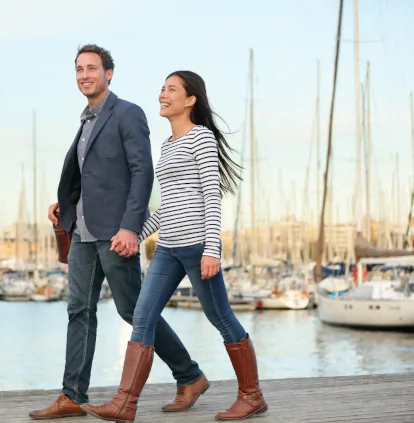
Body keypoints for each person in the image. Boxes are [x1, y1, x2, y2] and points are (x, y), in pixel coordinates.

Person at [29, 46, 206, 420]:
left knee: (132, 311)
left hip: (116, 234)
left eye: (92, 68)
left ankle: (190, 376)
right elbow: (90, 178)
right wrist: (66, 205)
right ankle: (72, 395)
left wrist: (130, 228)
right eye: (79, 69)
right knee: (79, 310)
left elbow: (143, 172)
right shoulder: (85, 121)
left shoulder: (128, 114)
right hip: (81, 232)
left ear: (109, 73)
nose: (84, 75)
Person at [80, 71, 268, 422]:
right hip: (167, 248)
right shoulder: (167, 146)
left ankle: (252, 396)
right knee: (142, 315)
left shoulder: (202, 139)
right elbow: (168, 206)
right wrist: (138, 234)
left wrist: (214, 249)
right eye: (162, 89)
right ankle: (125, 403)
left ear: (190, 99)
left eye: (171, 90)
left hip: (198, 247)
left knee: (220, 317)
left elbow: (212, 197)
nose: (162, 95)